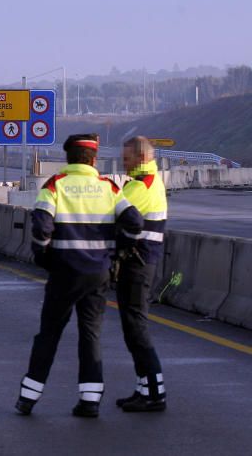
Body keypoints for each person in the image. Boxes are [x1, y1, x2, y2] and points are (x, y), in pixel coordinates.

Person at [15, 133, 143, 418]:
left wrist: (43, 257)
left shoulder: (56, 185)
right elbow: (135, 222)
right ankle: (90, 401)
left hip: (63, 273)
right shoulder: (109, 187)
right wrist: (118, 253)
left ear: (68, 158)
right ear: (93, 159)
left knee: (49, 334)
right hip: (98, 273)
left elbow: (41, 228)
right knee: (91, 334)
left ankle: (28, 397)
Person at [114, 136, 168, 412]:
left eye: (127, 159)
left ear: (142, 158)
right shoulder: (148, 180)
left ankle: (155, 393)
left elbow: (114, 213)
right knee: (132, 327)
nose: (124, 164)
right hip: (140, 262)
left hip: (138, 264)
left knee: (136, 327)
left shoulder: (140, 186)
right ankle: (143, 389)